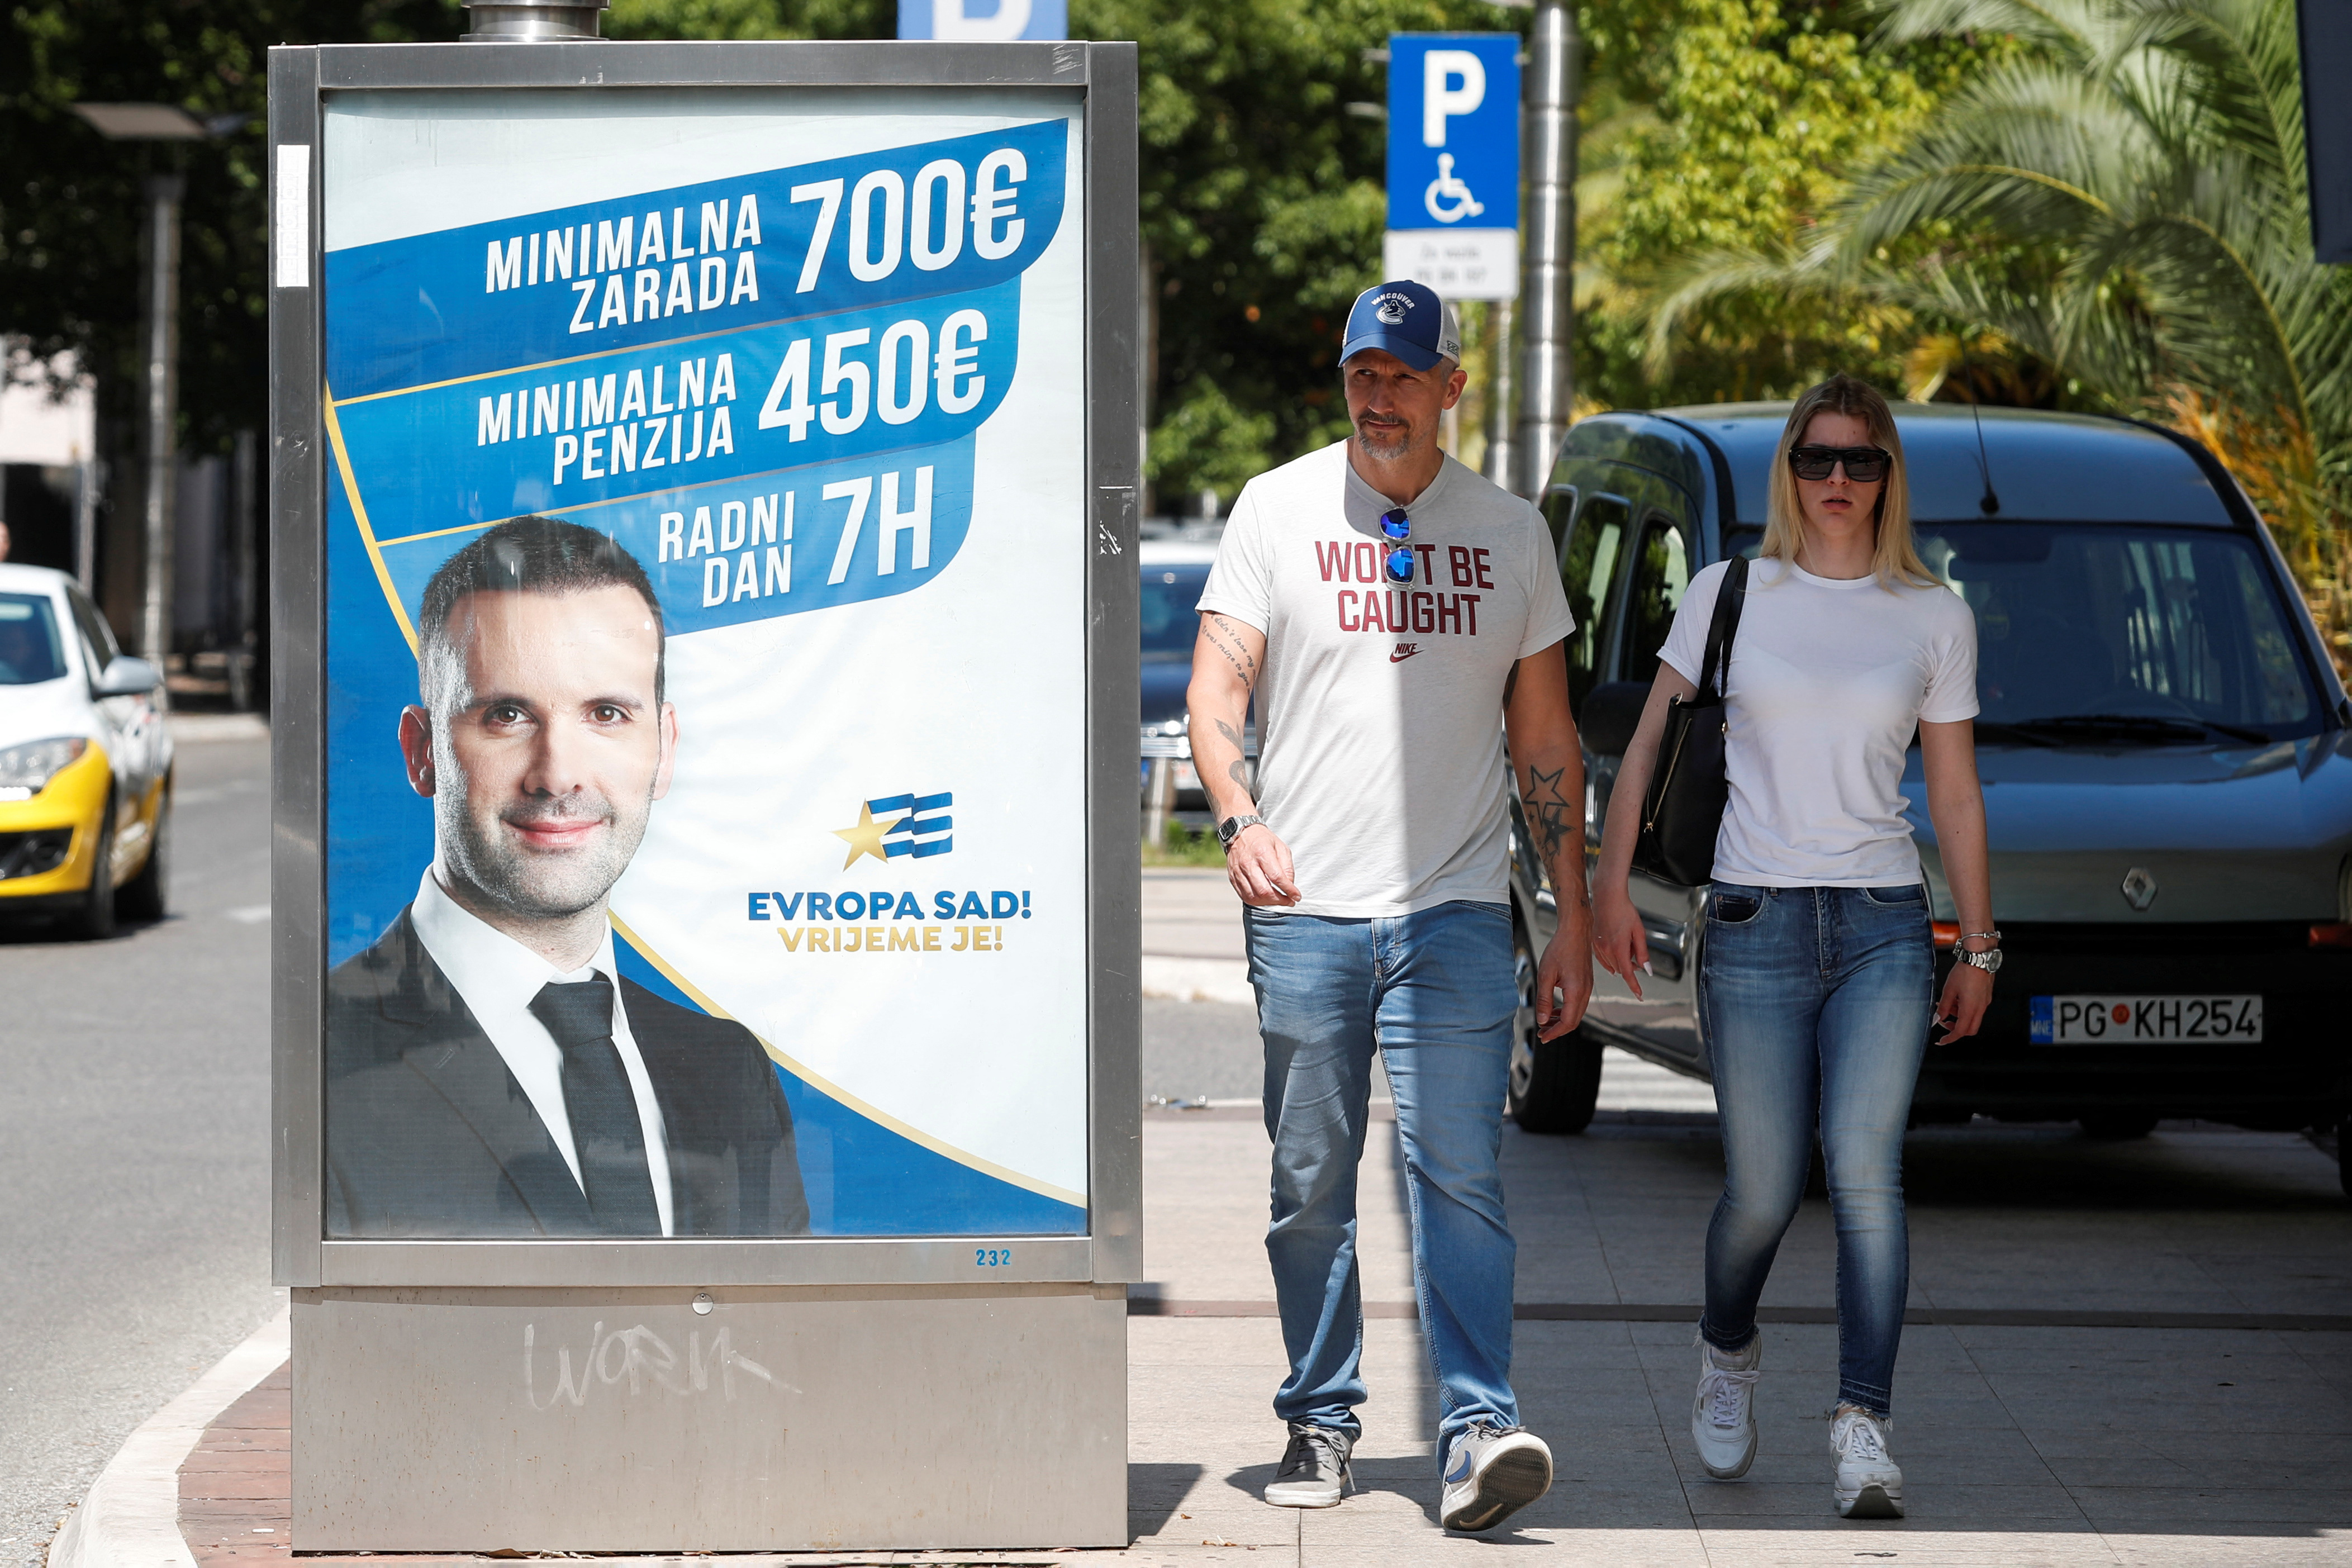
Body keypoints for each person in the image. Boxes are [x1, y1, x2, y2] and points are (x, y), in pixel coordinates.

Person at [1187, 279, 1593, 1535]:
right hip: (1303, 907)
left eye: (1403, 374)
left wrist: (1568, 911)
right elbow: (1214, 696)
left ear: (1451, 388)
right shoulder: (1277, 507)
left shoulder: (1512, 533)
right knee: (1308, 1176)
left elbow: (1545, 741)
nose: (1377, 394)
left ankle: (1475, 1430)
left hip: (1457, 909)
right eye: (1362, 370)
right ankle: (1320, 1415)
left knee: (1457, 1173)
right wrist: (1238, 817)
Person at [1590, 373, 1995, 1519]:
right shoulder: (1728, 592)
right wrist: (1608, 889)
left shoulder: (1931, 614)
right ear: (1788, 469)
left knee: (1868, 1178)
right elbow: (1649, 747)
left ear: (1885, 475)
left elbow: (1954, 797)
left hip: (1878, 925)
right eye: (1815, 458)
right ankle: (1725, 1348)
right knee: (1763, 1190)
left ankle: (1861, 1423)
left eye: (1857, 461)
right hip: (1752, 925)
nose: (1833, 481)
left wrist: (1977, 940)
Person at [326, 515, 809, 1239]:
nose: (558, 774)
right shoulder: (317, 1067)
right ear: (422, 752)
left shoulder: (731, 1072)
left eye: (607, 713)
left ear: (664, 748)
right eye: (508, 714)